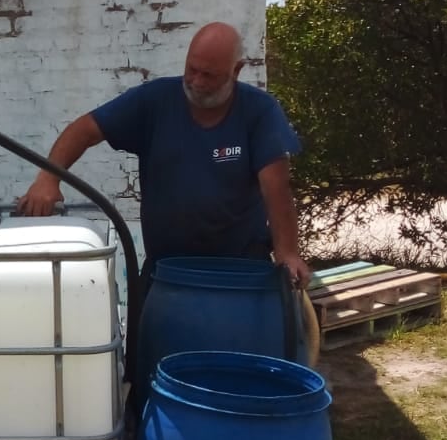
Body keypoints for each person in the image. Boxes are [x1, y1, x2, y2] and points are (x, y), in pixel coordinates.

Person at [16, 21, 311, 287]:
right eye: (191, 69)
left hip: (239, 273)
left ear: (236, 71)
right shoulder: (155, 101)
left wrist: (287, 253)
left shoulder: (259, 111)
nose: (196, 82)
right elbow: (84, 130)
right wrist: (48, 179)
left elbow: (275, 187)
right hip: (166, 273)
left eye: (208, 75)